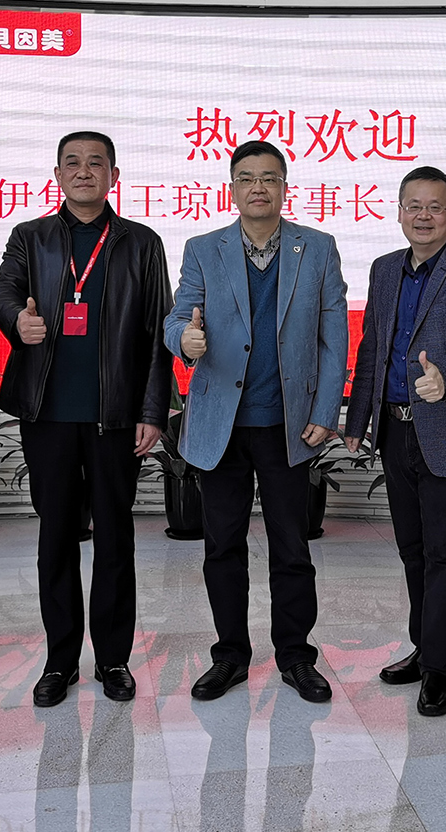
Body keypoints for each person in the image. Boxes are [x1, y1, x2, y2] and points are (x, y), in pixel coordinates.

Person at [0, 131, 174, 708]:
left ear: (114, 176)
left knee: (116, 538)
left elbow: (157, 330)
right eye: (72, 162)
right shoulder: (31, 236)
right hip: (47, 413)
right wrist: (15, 319)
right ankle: (60, 661)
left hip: (115, 417)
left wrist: (152, 410)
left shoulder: (141, 242)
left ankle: (114, 659)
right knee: (55, 538)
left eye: (96, 163)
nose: (84, 171)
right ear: (57, 175)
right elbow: (3, 289)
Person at [164, 140, 349, 704]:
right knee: (222, 547)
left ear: (285, 186)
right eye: (246, 178)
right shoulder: (203, 248)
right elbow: (178, 316)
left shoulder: (317, 247)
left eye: (269, 177)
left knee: (292, 547)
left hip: (288, 425)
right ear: (232, 188)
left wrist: (326, 411)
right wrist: (184, 339)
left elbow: (333, 335)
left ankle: (295, 656)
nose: (258, 187)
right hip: (220, 426)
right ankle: (230, 656)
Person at [343, 166, 446, 717]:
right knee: (412, 550)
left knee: (445, 554)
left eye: (435, 206)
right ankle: (423, 646)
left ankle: (438, 666)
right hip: (394, 429)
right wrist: (357, 422)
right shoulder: (385, 269)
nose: (424, 216)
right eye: (415, 206)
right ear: (399, 211)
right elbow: (372, 347)